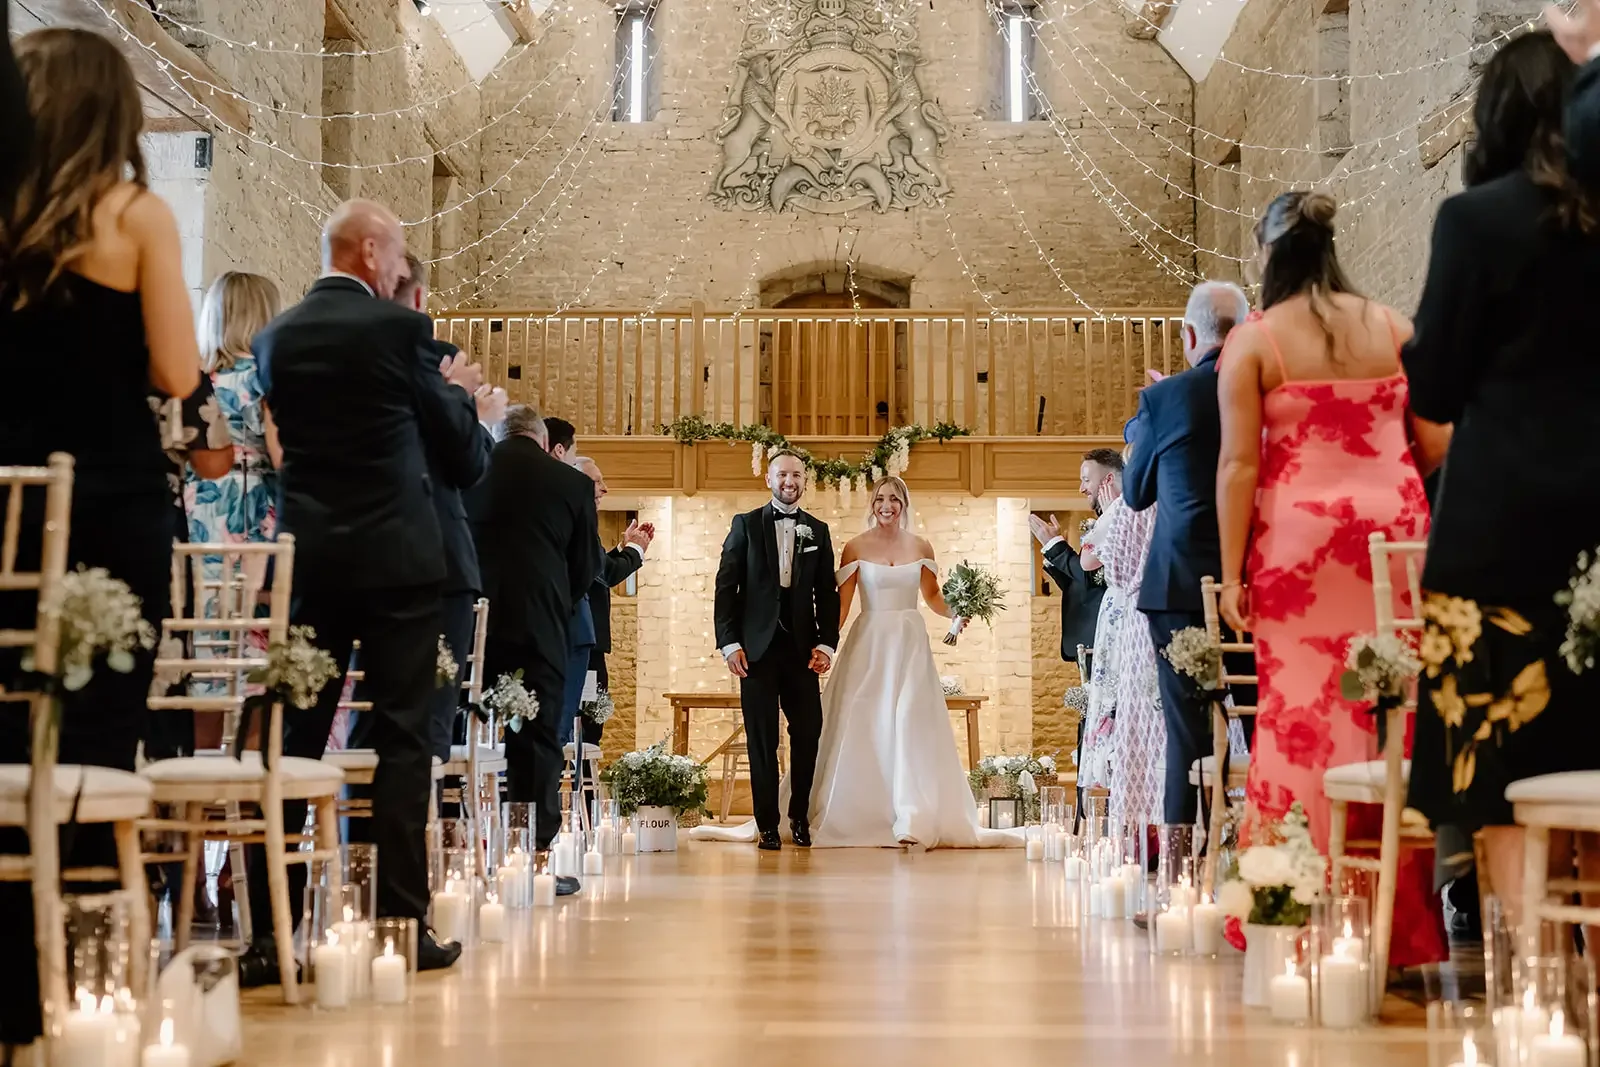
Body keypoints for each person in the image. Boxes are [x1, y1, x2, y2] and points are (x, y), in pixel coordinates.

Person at [0, 17, 204, 1047]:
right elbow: (174, 371)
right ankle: (73, 996)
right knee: (90, 745)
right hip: (106, 507)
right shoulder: (132, 214)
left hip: (5, 511)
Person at [246, 199, 485, 983]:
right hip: (399, 567)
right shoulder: (397, 330)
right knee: (401, 742)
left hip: (308, 565)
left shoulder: (275, 337)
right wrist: (451, 398)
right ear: (372, 250)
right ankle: (399, 925)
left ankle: (266, 932)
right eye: (400, 250)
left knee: (290, 744)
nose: (400, 264)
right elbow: (455, 446)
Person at [1216, 189, 1449, 967]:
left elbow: (1238, 466)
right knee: (1387, 719)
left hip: (1300, 547)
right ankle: (1393, 921)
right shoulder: (1395, 327)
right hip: (1395, 542)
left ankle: (1288, 904)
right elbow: (1439, 439)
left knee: (1296, 720)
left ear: (1270, 256)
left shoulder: (1254, 341)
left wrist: (1229, 576)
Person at [1404, 29, 1600, 930]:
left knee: (1495, 769)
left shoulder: (1477, 220)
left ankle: (1525, 977)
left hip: (1495, 533)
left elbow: (1436, 385)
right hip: (1589, 535)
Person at [1126, 280, 1255, 826]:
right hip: (1254, 585)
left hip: (1179, 588)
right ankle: (1272, 862)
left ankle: (1182, 880)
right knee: (1268, 725)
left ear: (1188, 335)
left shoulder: (1166, 398)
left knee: (1188, 736)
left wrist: (1143, 429)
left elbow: (1135, 493)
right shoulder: (1268, 390)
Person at [373, 253, 499, 765]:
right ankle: (418, 835)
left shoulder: (335, 353)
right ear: (421, 299)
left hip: (357, 550)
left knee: (366, 716)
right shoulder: (437, 359)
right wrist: (472, 411)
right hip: (436, 555)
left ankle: (353, 843)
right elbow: (472, 469)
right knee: (429, 721)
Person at [471, 405, 599, 885]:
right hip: (539, 625)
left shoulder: (471, 471)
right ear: (544, 442)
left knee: (459, 736)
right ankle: (533, 859)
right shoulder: (571, 484)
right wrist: (552, 601)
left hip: (471, 628)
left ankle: (459, 849)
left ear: (499, 435)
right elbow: (585, 565)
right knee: (538, 739)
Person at [708, 451, 840, 851]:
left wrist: (826, 643)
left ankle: (798, 817)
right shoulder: (745, 525)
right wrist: (729, 643)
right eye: (782, 474)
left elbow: (827, 596)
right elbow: (725, 587)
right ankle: (767, 824)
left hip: (803, 652)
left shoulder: (818, 530)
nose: (789, 481)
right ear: (769, 479)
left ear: (804, 480)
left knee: (808, 734)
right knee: (761, 740)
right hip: (756, 653)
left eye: (796, 474)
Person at [571, 458, 652, 746]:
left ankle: (586, 789)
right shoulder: (577, 524)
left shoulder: (576, 522)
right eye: (597, 481)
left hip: (584, 642)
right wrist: (635, 551)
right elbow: (605, 573)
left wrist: (620, 549)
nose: (604, 489)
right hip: (580, 645)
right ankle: (585, 789)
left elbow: (597, 569)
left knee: (589, 722)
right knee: (588, 725)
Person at [1074, 450, 1126, 796]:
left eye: (1086, 479)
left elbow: (1087, 561)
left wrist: (1108, 515)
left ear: (1107, 481)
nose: (1082, 489)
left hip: (1125, 613)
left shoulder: (1119, 510)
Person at [1028, 512, 1105, 673]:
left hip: (1101, 641)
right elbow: (1083, 583)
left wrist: (1054, 545)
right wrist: (1051, 550)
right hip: (1087, 644)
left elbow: (1089, 577)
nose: (1082, 489)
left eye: (1087, 483)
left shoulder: (1114, 524)